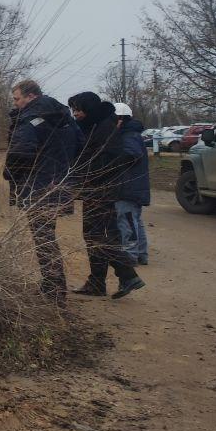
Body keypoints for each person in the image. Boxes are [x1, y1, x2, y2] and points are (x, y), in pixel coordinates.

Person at [4, 78, 82, 306]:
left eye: (17, 99)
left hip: (38, 187)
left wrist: (9, 174)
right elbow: (80, 144)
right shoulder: (65, 118)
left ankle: (55, 292)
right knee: (46, 236)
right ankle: (51, 286)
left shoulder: (30, 120)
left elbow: (20, 153)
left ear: (31, 96)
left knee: (44, 239)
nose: (15, 103)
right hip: (59, 183)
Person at [67, 92, 146, 299]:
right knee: (98, 236)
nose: (75, 114)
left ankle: (127, 275)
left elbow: (110, 160)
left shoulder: (104, 129)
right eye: (73, 110)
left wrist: (89, 174)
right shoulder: (95, 126)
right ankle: (97, 282)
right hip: (97, 189)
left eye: (78, 109)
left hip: (102, 190)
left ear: (89, 109)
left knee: (99, 237)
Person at [112, 102, 150, 265]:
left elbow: (131, 154)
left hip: (127, 186)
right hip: (133, 186)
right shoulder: (133, 133)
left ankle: (130, 255)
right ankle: (141, 254)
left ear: (120, 119)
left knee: (127, 220)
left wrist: (111, 162)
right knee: (135, 220)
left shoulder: (128, 135)